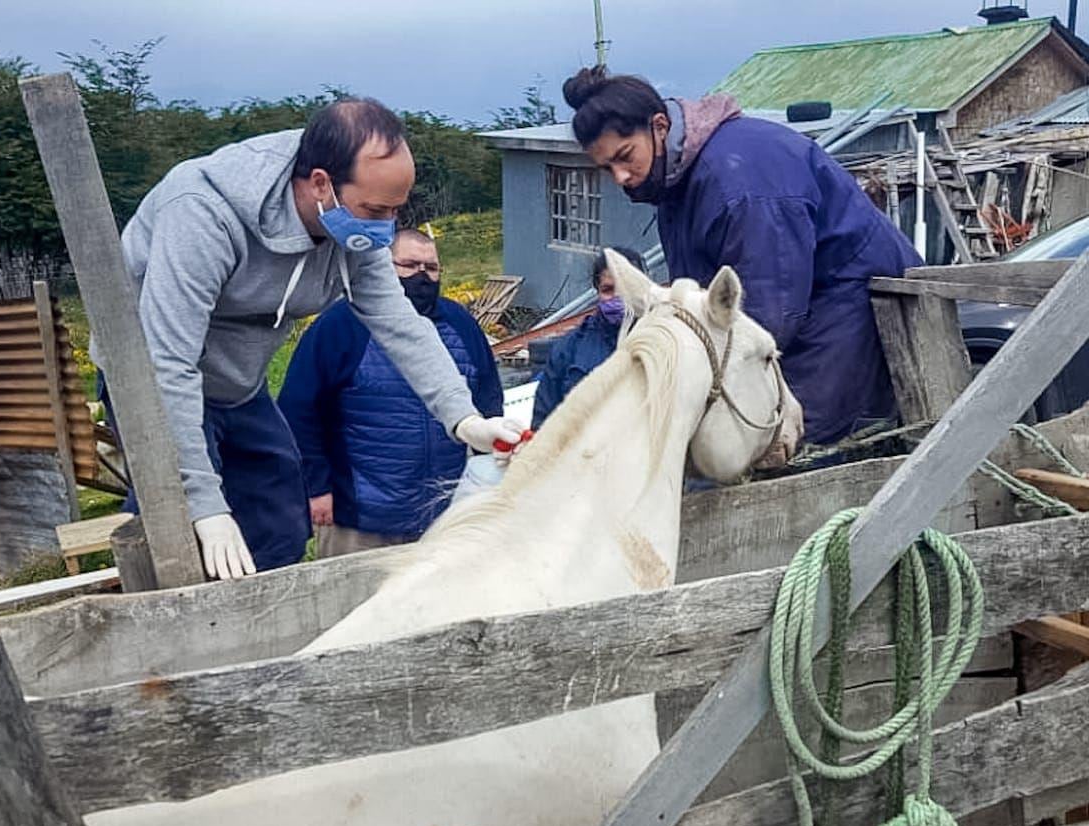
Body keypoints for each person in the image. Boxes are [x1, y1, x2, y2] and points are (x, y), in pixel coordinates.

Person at [95, 98, 520, 579]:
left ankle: (265, 629)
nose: (384, 227)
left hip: (239, 382)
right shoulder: (201, 213)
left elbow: (400, 324)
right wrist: (204, 507)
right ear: (321, 184)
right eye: (375, 210)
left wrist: (464, 419)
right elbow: (166, 364)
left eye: (395, 212)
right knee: (178, 533)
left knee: (280, 521)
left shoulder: (355, 231)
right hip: (154, 381)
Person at [561, 66, 922, 449]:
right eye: (607, 168)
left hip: (849, 301)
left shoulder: (739, 185)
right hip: (800, 308)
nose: (620, 177)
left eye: (625, 156)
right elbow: (700, 295)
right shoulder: (673, 182)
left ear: (661, 126)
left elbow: (768, 308)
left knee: (794, 445)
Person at [279, 229, 504, 558]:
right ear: (385, 266)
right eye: (410, 265)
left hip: (442, 517)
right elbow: (299, 410)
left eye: (432, 268)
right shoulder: (341, 325)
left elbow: (488, 400)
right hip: (361, 518)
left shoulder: (461, 325)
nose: (422, 276)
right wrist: (316, 487)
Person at [531, 245, 647, 429]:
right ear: (597, 291)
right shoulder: (570, 348)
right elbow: (543, 422)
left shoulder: (662, 342)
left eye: (625, 289)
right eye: (608, 290)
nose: (617, 298)